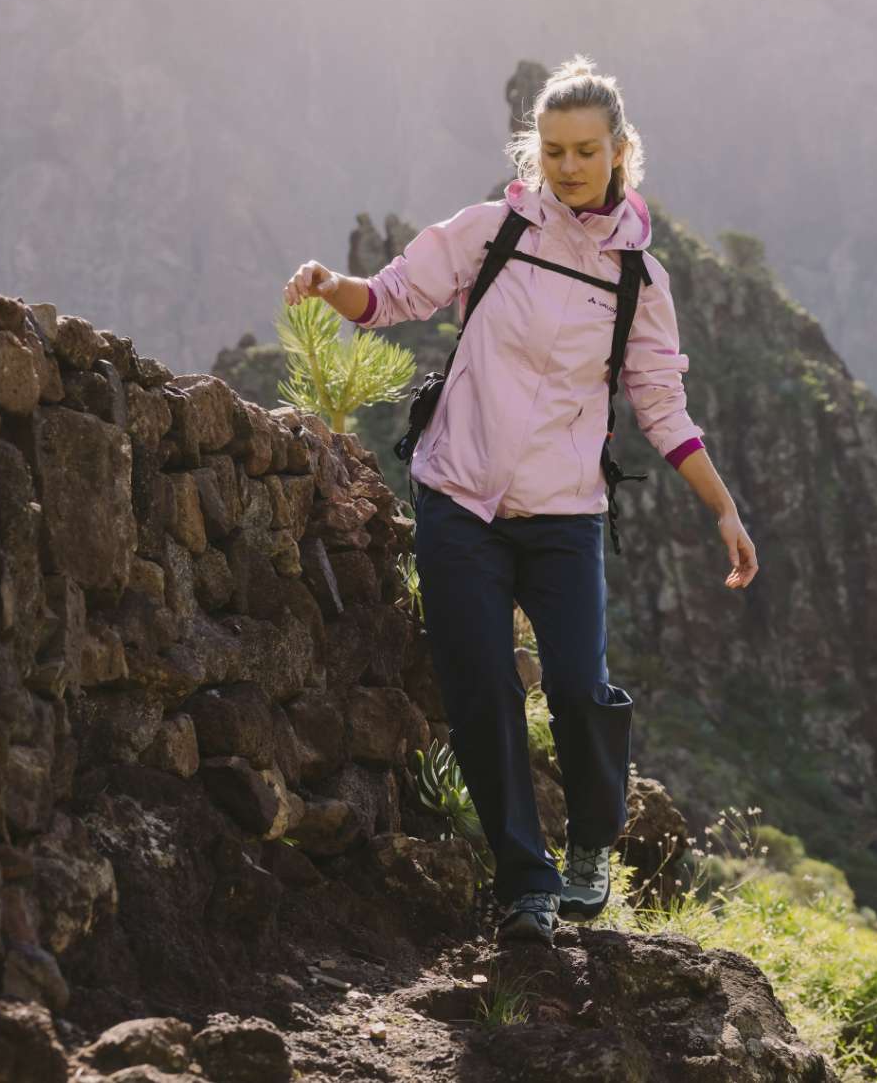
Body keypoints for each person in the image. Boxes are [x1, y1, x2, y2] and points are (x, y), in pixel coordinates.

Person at [281, 55, 761, 944]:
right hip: (458, 498)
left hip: (563, 517)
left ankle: (590, 846)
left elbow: (661, 407)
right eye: (553, 151)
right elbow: (391, 296)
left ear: (620, 153)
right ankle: (526, 883)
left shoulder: (639, 284)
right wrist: (327, 281)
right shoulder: (490, 232)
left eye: (585, 151)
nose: (569, 167)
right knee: (483, 690)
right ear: (533, 151)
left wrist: (723, 508)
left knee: (580, 688)